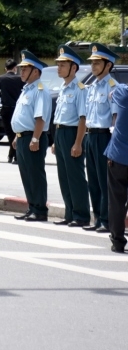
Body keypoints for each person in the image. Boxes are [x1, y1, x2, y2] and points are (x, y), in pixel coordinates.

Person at [10, 50, 52, 222]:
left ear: (35, 71)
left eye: (25, 69)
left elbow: (40, 118)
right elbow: (23, 116)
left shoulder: (40, 90)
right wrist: (16, 136)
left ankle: (40, 209)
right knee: (26, 174)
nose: (21, 72)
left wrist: (35, 138)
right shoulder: (27, 89)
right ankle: (32, 206)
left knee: (35, 174)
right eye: (21, 69)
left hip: (33, 137)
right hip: (23, 137)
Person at [51, 45, 90, 227]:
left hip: (72, 133)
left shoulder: (80, 89)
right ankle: (69, 212)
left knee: (75, 175)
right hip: (60, 132)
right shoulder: (63, 87)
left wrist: (78, 143)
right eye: (58, 64)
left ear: (73, 68)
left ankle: (81, 214)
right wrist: (55, 141)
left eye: (62, 65)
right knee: (64, 175)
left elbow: (83, 118)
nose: (59, 68)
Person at [83, 43, 117, 234]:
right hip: (90, 135)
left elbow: (115, 118)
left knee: (105, 181)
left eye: (97, 63)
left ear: (108, 65)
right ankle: (97, 218)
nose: (93, 66)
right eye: (92, 63)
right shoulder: (92, 87)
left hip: (105, 136)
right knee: (93, 180)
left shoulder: (113, 87)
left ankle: (106, 219)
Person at [104, 78, 128, 253]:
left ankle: (117, 241)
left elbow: (111, 94)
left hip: (118, 156)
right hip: (119, 154)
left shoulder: (122, 92)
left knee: (116, 201)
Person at [0, 57, 23, 161]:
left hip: (6, 109)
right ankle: (13, 154)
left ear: (5, 68)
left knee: (9, 133)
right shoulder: (20, 78)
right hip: (17, 109)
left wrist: (3, 94)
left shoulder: (1, 78)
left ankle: (13, 154)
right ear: (15, 68)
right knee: (16, 132)